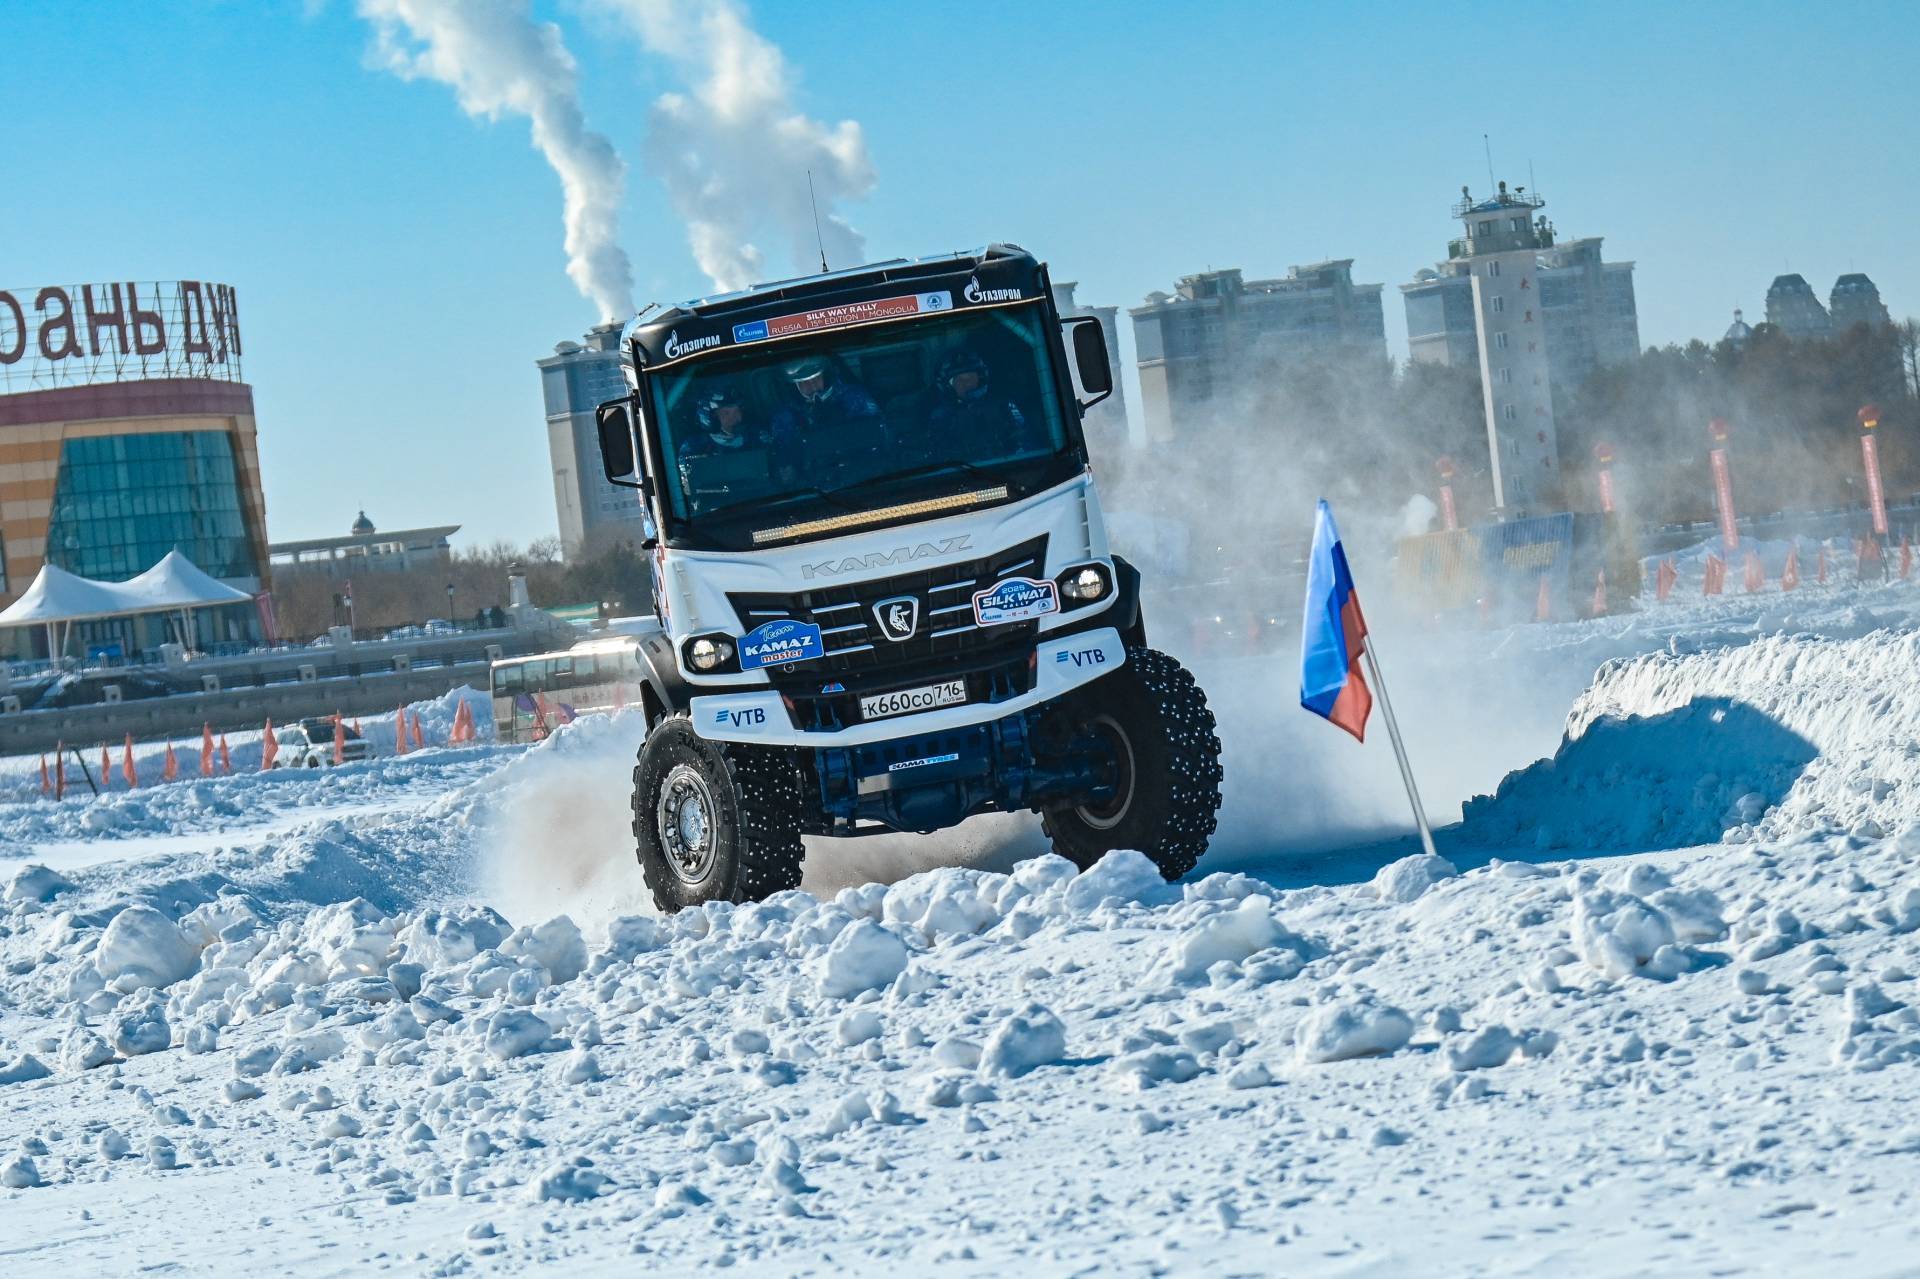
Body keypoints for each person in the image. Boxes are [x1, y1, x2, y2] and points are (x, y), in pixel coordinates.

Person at [770, 356, 883, 479]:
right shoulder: (786, 415)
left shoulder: (854, 396)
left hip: (862, 469)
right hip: (816, 476)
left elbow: (878, 430)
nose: (812, 386)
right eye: (804, 382)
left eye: (816, 379)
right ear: (794, 385)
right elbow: (784, 450)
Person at [928, 348, 1032, 456]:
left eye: (971, 377)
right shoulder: (941, 418)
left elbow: (1025, 442)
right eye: (959, 380)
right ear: (948, 386)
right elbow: (938, 454)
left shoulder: (1003, 407)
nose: (967, 384)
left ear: (981, 378)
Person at [679, 383, 762, 459]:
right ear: (710, 418)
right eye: (726, 413)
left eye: (737, 411)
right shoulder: (694, 447)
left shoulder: (757, 437)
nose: (735, 417)